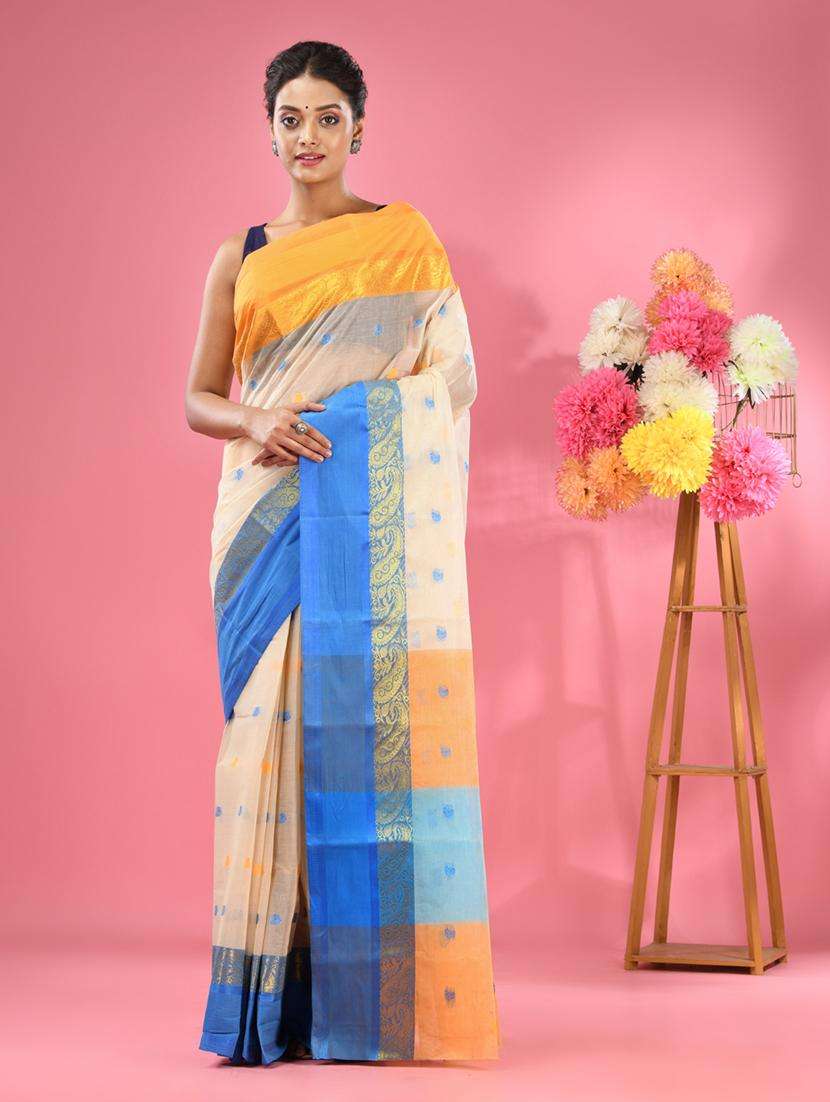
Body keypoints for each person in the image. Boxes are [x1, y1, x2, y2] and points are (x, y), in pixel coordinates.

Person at [184, 39, 500, 1065]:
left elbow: (452, 382)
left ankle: (364, 1000)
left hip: (364, 517)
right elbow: (199, 397)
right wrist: (257, 417)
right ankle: (270, 1004)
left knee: (361, 734)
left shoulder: (405, 241)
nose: (308, 136)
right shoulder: (240, 256)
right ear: (269, 130)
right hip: (263, 520)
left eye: (328, 117)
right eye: (291, 118)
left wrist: (353, 422)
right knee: (266, 744)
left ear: (358, 129)